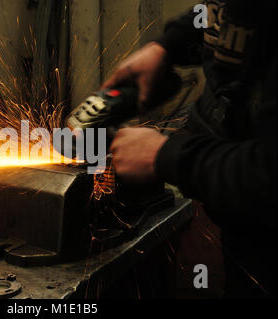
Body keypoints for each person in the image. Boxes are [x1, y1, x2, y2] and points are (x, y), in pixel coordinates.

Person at [104, 0, 276, 298]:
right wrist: (168, 45)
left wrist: (166, 155)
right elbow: (220, 13)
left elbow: (270, 175)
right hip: (241, 226)